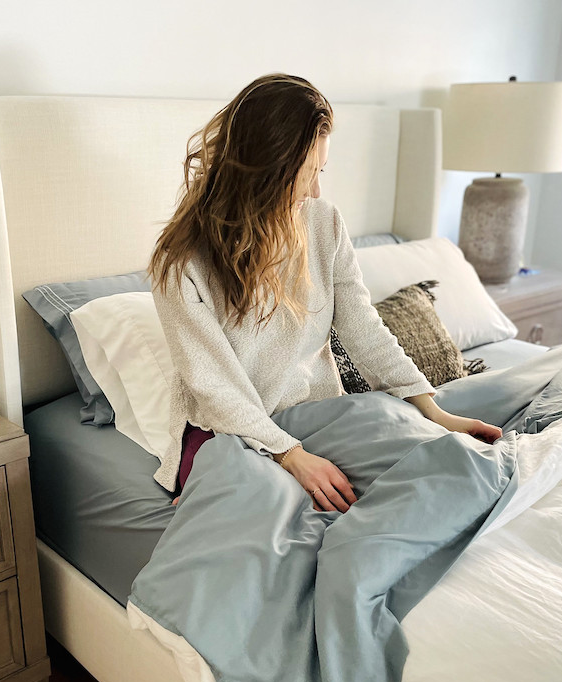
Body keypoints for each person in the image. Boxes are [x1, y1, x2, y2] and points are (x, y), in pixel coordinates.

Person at [149, 73, 502, 519]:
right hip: (227, 432)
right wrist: (289, 456)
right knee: (273, 516)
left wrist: (433, 411)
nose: (317, 189)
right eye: (306, 174)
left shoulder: (323, 223)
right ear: (264, 170)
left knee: (445, 472)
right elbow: (214, 385)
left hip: (320, 415)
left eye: (322, 171)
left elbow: (362, 327)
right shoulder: (182, 262)